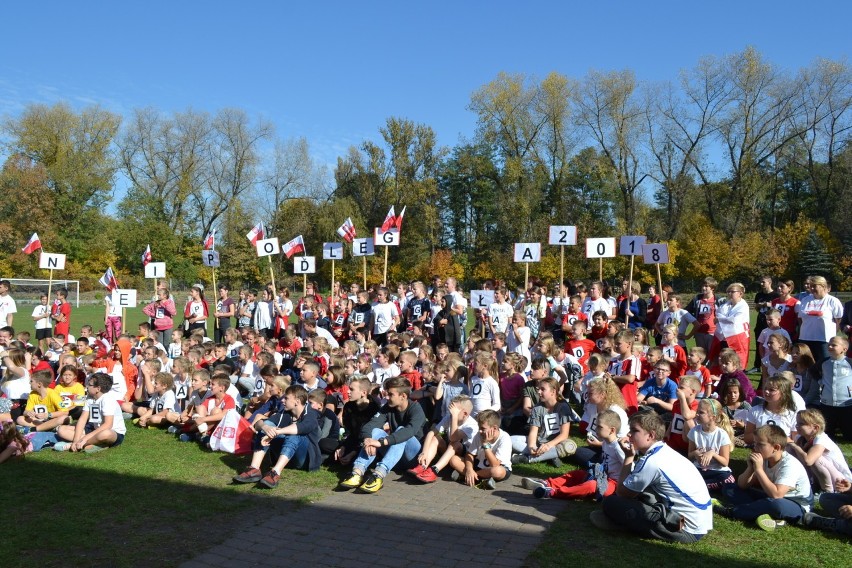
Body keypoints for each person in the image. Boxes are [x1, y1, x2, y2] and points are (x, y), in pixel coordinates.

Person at [592, 411, 713, 542]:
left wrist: (628, 457)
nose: (629, 434)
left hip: (685, 529)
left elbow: (622, 493)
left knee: (610, 502)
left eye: (634, 430)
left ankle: (624, 524)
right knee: (640, 494)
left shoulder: (652, 461)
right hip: (698, 523)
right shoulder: (664, 451)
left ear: (650, 435)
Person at [339, 376, 427, 493]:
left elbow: (408, 432)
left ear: (403, 396)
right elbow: (368, 426)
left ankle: (378, 475)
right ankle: (357, 472)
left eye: (390, 394)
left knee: (401, 430)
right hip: (394, 456)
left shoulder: (416, 409)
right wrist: (368, 440)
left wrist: (380, 442)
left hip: (412, 457)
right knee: (374, 432)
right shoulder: (387, 407)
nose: (386, 397)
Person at [715, 424, 812, 531]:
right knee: (729, 488)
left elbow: (777, 494)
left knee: (776, 505)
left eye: (760, 444)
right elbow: (742, 485)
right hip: (768, 498)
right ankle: (764, 514)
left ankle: (734, 511)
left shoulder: (789, 464)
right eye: (755, 443)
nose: (755, 448)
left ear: (776, 447)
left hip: (795, 505)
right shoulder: (765, 458)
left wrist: (759, 470)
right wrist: (750, 468)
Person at [523, 409, 625, 500]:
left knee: (591, 486)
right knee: (577, 474)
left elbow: (630, 468)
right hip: (602, 477)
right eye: (596, 426)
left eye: (600, 427)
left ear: (612, 430)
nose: (596, 429)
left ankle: (553, 492)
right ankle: (546, 483)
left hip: (614, 485)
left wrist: (623, 490)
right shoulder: (606, 443)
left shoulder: (618, 447)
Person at [233, 384, 322, 488]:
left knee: (294, 434)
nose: (282, 400)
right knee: (268, 427)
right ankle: (254, 469)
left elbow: (302, 428)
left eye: (286, 398)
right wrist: (266, 428)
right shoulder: (286, 412)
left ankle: (275, 472)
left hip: (304, 460)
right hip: (286, 456)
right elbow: (259, 423)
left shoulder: (311, 413)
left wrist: (277, 432)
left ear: (297, 401)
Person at [510, 377, 576, 466]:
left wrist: (548, 446)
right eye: (539, 389)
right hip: (540, 442)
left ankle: (527, 459)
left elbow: (564, 434)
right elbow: (533, 431)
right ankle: (550, 456)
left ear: (553, 391)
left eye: (543, 389)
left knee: (570, 446)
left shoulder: (563, 407)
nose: (539, 392)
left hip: (557, 443)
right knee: (511, 440)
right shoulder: (537, 408)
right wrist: (531, 447)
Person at [54, 372, 126, 453]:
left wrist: (86, 438)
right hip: (94, 429)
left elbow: (108, 425)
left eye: (89, 384)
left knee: (106, 434)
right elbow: (82, 419)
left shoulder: (107, 399)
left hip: (113, 432)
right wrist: (76, 439)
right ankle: (95, 444)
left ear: (98, 389)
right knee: (61, 430)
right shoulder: (90, 397)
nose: (87, 386)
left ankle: (79, 444)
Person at [787, 408, 852, 493]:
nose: (797, 426)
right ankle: (804, 484)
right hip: (819, 475)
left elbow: (808, 461)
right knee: (790, 451)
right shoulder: (799, 438)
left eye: (801, 424)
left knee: (816, 460)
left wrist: (794, 445)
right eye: (797, 423)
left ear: (815, 427)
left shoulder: (821, 439)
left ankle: (827, 490)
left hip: (841, 479)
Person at [687, 398, 736, 490]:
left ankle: (703, 487)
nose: (697, 414)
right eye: (697, 411)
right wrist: (695, 453)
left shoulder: (721, 435)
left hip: (717, 471)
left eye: (701, 412)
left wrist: (712, 454)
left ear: (713, 417)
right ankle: (707, 486)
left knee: (726, 479)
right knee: (687, 477)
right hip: (700, 469)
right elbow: (689, 455)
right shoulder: (694, 431)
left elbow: (725, 462)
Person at [796, 276, 843, 365]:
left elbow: (838, 320)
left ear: (823, 286)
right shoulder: (805, 300)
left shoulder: (832, 301)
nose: (812, 288)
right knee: (806, 365)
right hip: (805, 338)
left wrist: (832, 335)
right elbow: (800, 318)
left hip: (823, 340)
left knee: (824, 364)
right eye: (811, 286)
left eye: (815, 286)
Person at [708, 283, 750, 373]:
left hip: (737, 339)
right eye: (728, 292)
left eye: (732, 291)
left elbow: (734, 320)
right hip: (723, 338)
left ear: (740, 293)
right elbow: (719, 314)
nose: (730, 294)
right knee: (723, 359)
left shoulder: (743, 306)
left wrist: (720, 319)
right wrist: (723, 319)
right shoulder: (725, 306)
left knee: (734, 360)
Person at [818, 336, 852, 440]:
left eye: (834, 345)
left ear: (844, 349)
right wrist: (821, 383)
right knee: (827, 434)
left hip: (846, 404)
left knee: (848, 435)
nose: (830, 346)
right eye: (829, 344)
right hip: (827, 404)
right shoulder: (823, 362)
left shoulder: (850, 363)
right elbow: (812, 372)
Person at [749, 276, 779, 372]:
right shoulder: (759, 295)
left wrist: (770, 305)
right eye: (761, 282)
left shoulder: (775, 295)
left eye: (763, 282)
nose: (761, 284)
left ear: (769, 283)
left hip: (770, 325)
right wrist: (759, 306)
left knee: (771, 345)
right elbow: (757, 309)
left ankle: (772, 364)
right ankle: (757, 366)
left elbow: (778, 310)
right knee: (759, 345)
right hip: (760, 323)